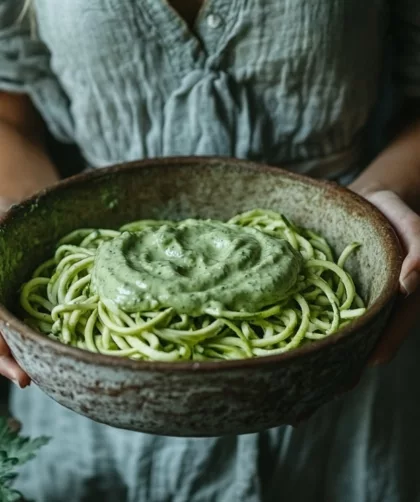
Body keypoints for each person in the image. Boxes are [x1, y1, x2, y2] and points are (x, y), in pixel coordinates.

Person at [1, 1, 420, 500]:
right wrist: (23, 222)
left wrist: (376, 204)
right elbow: (9, 107)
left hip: (338, 351)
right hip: (83, 387)